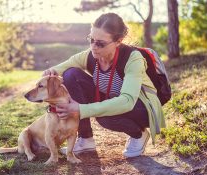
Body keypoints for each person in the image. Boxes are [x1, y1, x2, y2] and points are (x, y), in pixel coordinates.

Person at [42, 12, 165, 158]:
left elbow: (127, 101)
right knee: (71, 74)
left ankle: (138, 134)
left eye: (100, 43)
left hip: (141, 106)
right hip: (115, 100)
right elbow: (63, 67)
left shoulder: (133, 58)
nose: (94, 46)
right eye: (91, 40)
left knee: (105, 117)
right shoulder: (90, 55)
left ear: (118, 41)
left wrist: (81, 109)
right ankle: (86, 139)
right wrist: (50, 73)